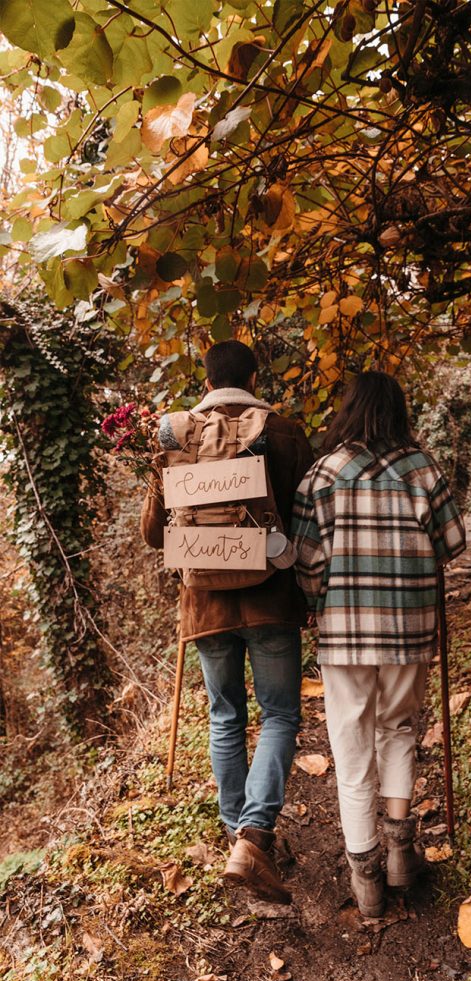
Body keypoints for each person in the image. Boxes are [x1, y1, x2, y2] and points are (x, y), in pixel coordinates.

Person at [141, 341, 313, 904]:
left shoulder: (173, 434)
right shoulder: (283, 432)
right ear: (255, 376)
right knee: (281, 712)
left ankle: (235, 832)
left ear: (206, 380)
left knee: (224, 715)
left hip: (206, 604)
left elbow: (153, 532)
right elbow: (307, 518)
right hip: (269, 600)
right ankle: (254, 835)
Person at [291, 371, 465, 917]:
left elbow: (305, 560)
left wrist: (323, 593)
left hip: (343, 634)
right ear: (398, 411)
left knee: (349, 744)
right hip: (410, 631)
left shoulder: (322, 474)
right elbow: (453, 543)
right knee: (398, 730)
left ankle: (366, 877)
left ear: (349, 409)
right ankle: (400, 854)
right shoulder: (423, 467)